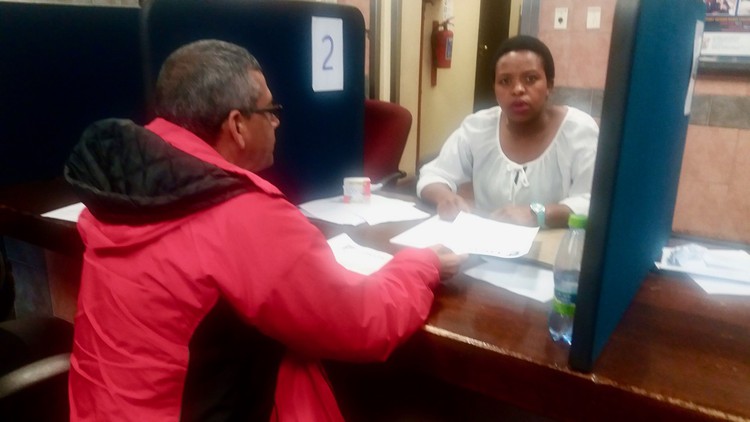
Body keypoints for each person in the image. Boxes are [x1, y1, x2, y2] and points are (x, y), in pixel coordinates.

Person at [64, 39, 466, 421]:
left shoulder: (123, 188)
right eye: (270, 110)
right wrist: (421, 264)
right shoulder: (239, 215)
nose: (276, 122)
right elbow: (364, 322)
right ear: (237, 124)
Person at [417, 35, 599, 228]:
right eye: (505, 81)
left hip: (554, 247)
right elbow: (434, 174)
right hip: (487, 244)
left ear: (549, 85)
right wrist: (446, 198)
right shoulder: (478, 126)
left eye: (531, 79)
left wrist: (537, 214)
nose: (518, 89)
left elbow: (592, 201)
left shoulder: (579, 131)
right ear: (494, 88)